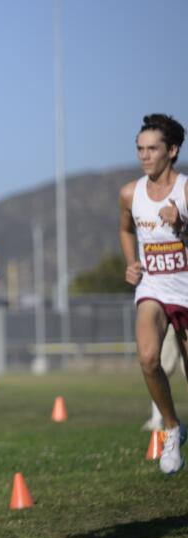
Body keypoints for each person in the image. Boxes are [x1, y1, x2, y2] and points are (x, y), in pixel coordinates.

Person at [119, 113, 188, 475]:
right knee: (148, 357)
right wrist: (131, 262)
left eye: (152, 149)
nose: (145, 156)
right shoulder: (131, 193)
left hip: (186, 289)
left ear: (172, 151)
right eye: (140, 149)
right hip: (154, 289)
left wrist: (181, 225)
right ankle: (173, 429)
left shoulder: (186, 190)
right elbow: (126, 229)